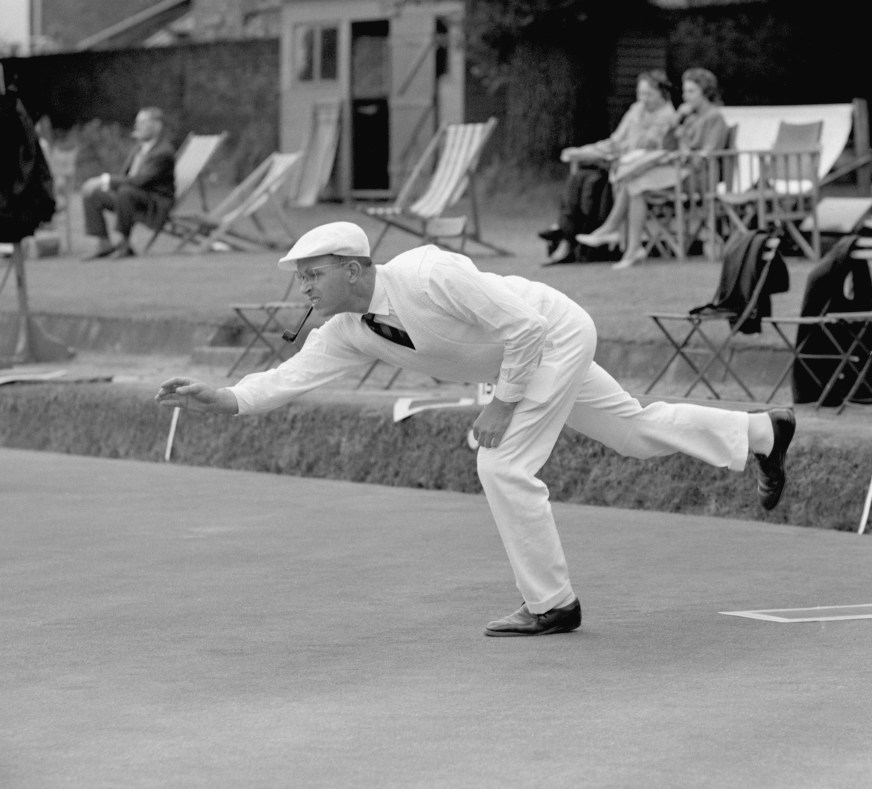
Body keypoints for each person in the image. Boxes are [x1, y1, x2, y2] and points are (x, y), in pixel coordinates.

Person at [155, 221, 797, 638]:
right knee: (632, 432)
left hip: (553, 333)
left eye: (313, 273)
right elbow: (290, 377)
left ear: (354, 268)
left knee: (502, 465)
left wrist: (500, 404)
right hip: (519, 359)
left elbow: (525, 328)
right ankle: (763, 433)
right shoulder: (349, 331)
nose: (304, 286)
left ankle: (553, 605)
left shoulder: (429, 274)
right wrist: (227, 396)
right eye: (301, 276)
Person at [577, 67, 729, 269]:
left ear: (705, 91)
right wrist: (676, 124)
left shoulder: (714, 117)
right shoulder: (688, 117)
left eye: (692, 91)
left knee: (635, 182)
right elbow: (668, 145)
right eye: (685, 91)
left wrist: (682, 148)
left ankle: (617, 234)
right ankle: (630, 247)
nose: (686, 96)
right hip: (679, 171)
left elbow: (708, 154)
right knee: (634, 183)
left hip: (697, 177)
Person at [541, 71, 676, 265]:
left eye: (648, 95)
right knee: (578, 178)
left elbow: (645, 147)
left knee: (595, 182)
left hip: (637, 170)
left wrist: (613, 152)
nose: (643, 100)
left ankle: (592, 234)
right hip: (618, 165)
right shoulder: (636, 110)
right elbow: (616, 141)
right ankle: (566, 234)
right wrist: (584, 152)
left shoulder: (668, 117)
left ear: (663, 94)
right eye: (640, 94)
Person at [80, 107, 176, 259]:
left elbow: (140, 180)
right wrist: (102, 185)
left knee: (126, 191)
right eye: (138, 122)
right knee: (93, 193)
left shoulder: (163, 152)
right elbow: (127, 177)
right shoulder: (139, 148)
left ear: (157, 126)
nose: (138, 126)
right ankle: (104, 243)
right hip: (132, 198)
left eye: (143, 122)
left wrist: (105, 180)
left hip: (154, 204)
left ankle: (124, 243)